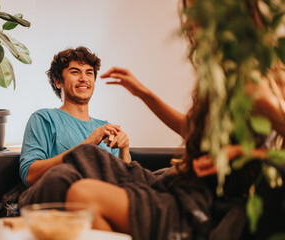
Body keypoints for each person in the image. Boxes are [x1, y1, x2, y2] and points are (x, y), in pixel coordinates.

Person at [58, 1, 285, 240]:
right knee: (78, 175)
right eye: (188, 12)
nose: (188, 22)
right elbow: (192, 130)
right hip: (184, 187)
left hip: (204, 206)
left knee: (83, 195)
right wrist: (143, 93)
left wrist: (240, 153)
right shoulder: (223, 72)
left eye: (197, 12)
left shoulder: (253, 83)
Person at [18, 46, 131, 206]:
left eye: (89, 72)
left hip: (106, 204)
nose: (84, 78)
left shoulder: (106, 128)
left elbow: (126, 186)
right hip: (67, 203)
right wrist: (88, 144)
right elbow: (30, 176)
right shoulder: (44, 118)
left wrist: (124, 149)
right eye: (75, 72)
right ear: (58, 81)